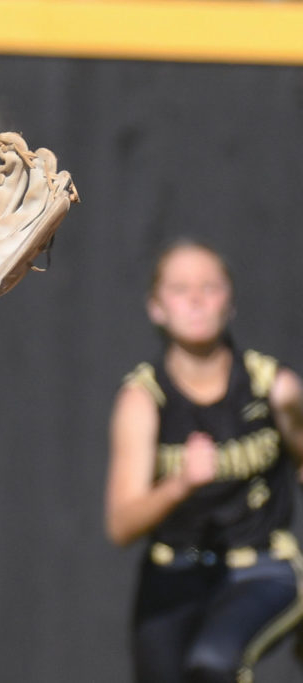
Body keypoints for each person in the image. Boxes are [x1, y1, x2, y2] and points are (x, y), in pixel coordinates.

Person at [105, 237, 303, 682]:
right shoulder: (144, 399)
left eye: (209, 287)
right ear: (156, 307)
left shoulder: (273, 386)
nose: (195, 299)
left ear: (230, 303)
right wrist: (180, 484)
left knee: (214, 665)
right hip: (172, 572)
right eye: (179, 289)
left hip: (261, 570)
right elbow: (121, 525)